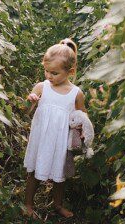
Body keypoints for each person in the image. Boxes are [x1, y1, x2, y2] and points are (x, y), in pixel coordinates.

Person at [23, 38, 85, 218]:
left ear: (70, 72)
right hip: (42, 138)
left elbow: (82, 117)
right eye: (46, 71)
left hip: (61, 140)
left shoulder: (76, 94)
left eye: (55, 73)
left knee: (60, 174)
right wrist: (31, 102)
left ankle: (57, 205)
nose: (49, 76)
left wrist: (82, 131)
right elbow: (27, 113)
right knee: (34, 171)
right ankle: (28, 203)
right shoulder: (42, 87)